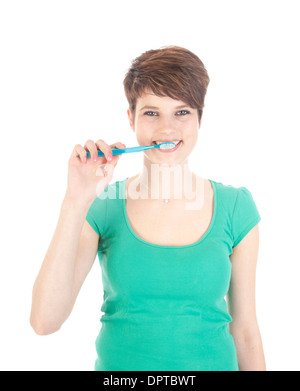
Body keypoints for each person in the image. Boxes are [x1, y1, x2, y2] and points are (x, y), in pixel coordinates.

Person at [30, 45, 266, 371]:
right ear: (131, 118)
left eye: (181, 112)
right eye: (151, 112)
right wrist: (75, 200)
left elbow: (246, 333)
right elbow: (44, 322)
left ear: (200, 118)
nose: (167, 128)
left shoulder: (236, 208)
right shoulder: (102, 205)